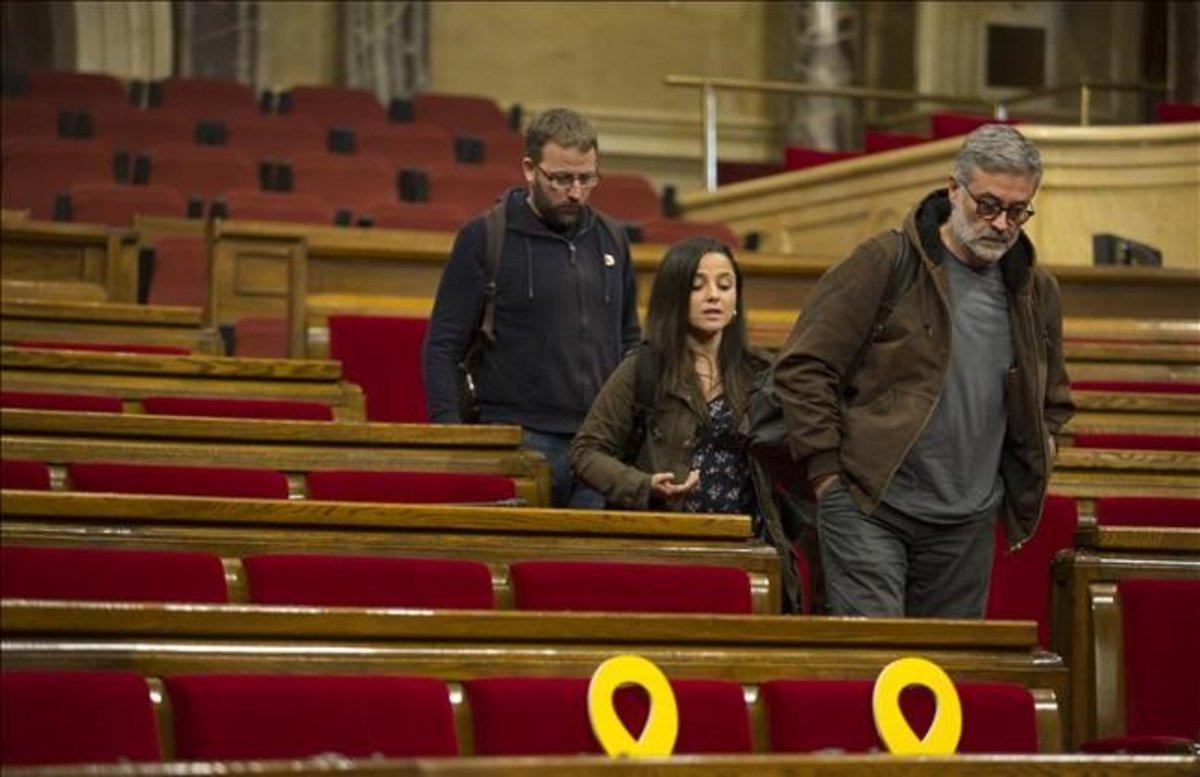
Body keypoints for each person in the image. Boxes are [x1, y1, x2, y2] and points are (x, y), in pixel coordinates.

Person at [773, 124, 1074, 618]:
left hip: (968, 521)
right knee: (877, 670)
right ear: (954, 189)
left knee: (947, 678)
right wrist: (826, 475)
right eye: (988, 205)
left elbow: (1053, 398)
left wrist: (1040, 448)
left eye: (1018, 211)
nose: (1001, 224)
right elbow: (805, 366)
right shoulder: (885, 261)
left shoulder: (1035, 290)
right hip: (869, 505)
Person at [423, 108, 640, 508]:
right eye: (560, 179)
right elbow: (442, 346)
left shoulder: (611, 238)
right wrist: (449, 440)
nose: (575, 192)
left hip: (597, 445)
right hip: (516, 440)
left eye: (587, 178)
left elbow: (630, 341)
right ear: (529, 168)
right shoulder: (486, 236)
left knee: (584, 567)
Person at [571, 236, 800, 611]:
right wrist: (643, 485)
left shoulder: (761, 373)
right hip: (671, 548)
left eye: (725, 285)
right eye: (698, 286)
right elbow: (585, 452)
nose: (714, 296)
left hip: (751, 552)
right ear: (674, 298)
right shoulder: (643, 369)